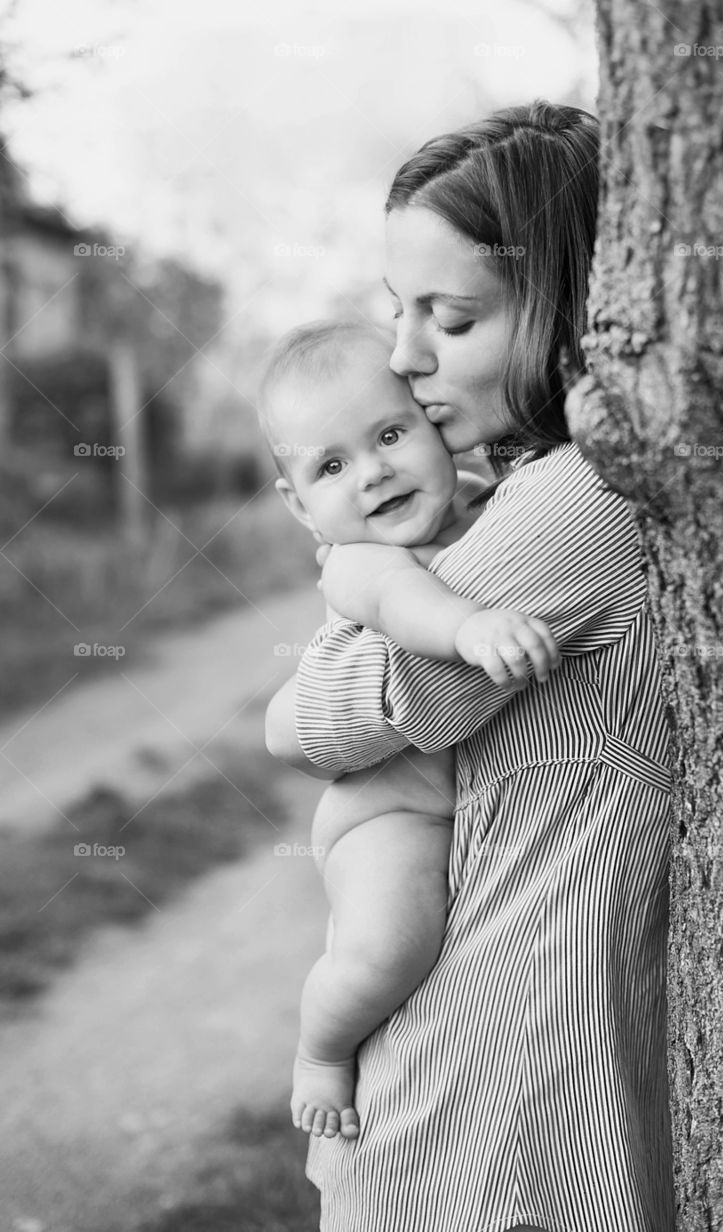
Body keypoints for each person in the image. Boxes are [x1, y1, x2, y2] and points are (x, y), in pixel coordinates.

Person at [266, 101, 675, 1232]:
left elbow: (322, 724)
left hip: (500, 1094)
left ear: (569, 299)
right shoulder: (522, 484)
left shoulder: (583, 495)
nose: (402, 356)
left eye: (448, 317)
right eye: (401, 310)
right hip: (483, 1073)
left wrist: (299, 703)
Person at [258, 319, 561, 1144]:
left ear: (434, 426)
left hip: (461, 794)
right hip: (387, 812)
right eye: (330, 466)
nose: (373, 473)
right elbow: (401, 603)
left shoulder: (497, 508)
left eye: (390, 433)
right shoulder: (355, 560)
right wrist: (468, 630)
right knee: (388, 947)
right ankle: (321, 1049)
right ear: (300, 506)